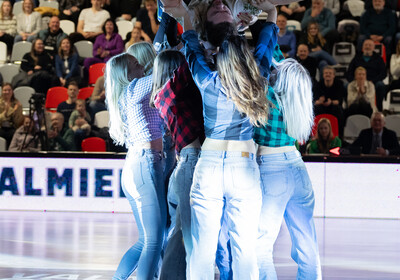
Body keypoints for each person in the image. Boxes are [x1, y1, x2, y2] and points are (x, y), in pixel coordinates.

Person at [165, 0, 273, 278]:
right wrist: (269, 11)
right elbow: (266, 41)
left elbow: (190, 44)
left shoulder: (207, 79)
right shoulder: (258, 75)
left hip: (210, 164)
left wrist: (188, 16)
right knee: (245, 249)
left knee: (202, 250)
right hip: (244, 165)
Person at [253, 57, 322, 279]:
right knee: (306, 242)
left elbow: (265, 60)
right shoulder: (298, 102)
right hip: (296, 165)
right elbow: (276, 59)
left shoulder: (269, 98)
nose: (274, 72)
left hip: (272, 170)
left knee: (260, 244)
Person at [107, 49, 166, 280]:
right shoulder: (136, 87)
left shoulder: (126, 93)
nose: (141, 65)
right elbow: (164, 70)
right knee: (154, 240)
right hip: (145, 163)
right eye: (135, 63)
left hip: (136, 164)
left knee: (145, 240)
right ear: (127, 73)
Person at [152, 50, 204, 279]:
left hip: (184, 164)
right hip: (191, 165)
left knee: (180, 231)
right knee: (185, 232)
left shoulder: (163, 97)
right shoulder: (175, 95)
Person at [346, 39, 387, 111]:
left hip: (373, 82)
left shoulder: (378, 58)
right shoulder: (356, 57)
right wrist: (354, 81)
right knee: (345, 85)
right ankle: (348, 108)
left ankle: (379, 109)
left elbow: (383, 73)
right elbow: (349, 72)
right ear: (362, 47)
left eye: (370, 45)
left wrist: (373, 81)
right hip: (357, 81)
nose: (367, 47)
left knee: (380, 85)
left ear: (373, 48)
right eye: (366, 45)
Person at [313, 65, 345, 135]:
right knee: (314, 110)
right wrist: (320, 101)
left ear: (334, 75)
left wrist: (331, 102)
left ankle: (339, 137)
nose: (328, 75)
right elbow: (315, 101)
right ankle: (314, 136)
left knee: (339, 111)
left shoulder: (339, 84)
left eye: (330, 73)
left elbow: (339, 101)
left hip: (333, 106)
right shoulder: (318, 84)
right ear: (323, 75)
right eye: (326, 73)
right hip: (321, 107)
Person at [0, 83, 24, 148]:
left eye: (9, 90)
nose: (7, 92)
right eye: (5, 90)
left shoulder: (17, 104)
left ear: (12, 91)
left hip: (12, 128)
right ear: (2, 91)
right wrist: (6, 112)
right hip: (1, 127)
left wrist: (17, 111)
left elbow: (18, 122)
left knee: (14, 134)